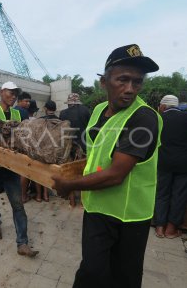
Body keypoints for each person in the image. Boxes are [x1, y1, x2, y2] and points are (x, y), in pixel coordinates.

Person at [52, 44, 162, 288]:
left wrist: (70, 184)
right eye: (122, 80)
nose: (130, 89)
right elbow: (95, 153)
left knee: (123, 278)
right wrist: (75, 173)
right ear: (104, 82)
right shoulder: (99, 110)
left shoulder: (143, 117)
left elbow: (115, 175)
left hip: (128, 216)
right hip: (96, 207)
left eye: (137, 82)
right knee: (92, 271)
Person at [0, 81, 39, 257]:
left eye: (15, 94)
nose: (13, 96)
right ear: (1, 92)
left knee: (18, 204)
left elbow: (23, 139)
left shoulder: (19, 114)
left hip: (11, 167)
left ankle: (23, 243)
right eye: (10, 92)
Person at [154, 95, 187, 239]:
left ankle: (159, 227)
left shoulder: (158, 119)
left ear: (163, 106)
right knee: (180, 195)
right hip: (185, 163)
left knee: (161, 193)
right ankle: (170, 230)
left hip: (163, 162)